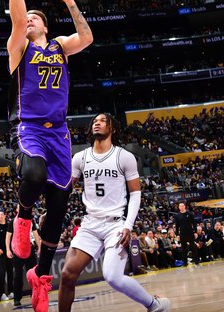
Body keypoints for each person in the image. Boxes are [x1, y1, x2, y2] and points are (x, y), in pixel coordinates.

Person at [0, 0, 94, 312]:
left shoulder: (58, 46)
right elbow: (18, 20)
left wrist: (70, 2)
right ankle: (22, 218)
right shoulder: (19, 48)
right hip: (30, 127)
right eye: (27, 19)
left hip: (61, 133)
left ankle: (40, 275)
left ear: (47, 25)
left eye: (36, 18)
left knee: (57, 208)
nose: (29, 21)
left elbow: (86, 38)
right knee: (33, 174)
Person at [58, 113, 170, 312]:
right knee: (67, 275)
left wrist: (128, 225)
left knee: (113, 277)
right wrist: (50, 211)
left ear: (113, 128)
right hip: (90, 224)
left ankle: (154, 305)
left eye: (102, 121)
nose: (97, 123)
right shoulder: (80, 158)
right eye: (95, 121)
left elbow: (135, 194)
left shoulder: (124, 157)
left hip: (115, 224)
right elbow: (65, 190)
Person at [6, 208, 40, 307]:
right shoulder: (13, 221)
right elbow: (8, 236)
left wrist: (39, 247)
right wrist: (8, 249)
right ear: (17, 210)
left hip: (29, 248)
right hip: (17, 251)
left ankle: (35, 294)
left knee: (33, 274)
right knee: (18, 276)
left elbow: (35, 234)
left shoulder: (31, 220)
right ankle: (17, 298)